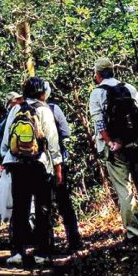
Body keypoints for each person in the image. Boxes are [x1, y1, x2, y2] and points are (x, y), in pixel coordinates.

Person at [89, 57, 138, 244]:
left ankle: (135, 233)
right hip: (136, 144)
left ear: (97, 75)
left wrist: (110, 142)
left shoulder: (97, 94)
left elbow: (99, 122)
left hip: (114, 149)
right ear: (113, 71)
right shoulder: (129, 88)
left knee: (125, 190)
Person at [1, 76, 62, 267]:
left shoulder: (15, 110)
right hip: (39, 165)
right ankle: (41, 252)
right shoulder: (44, 110)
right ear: (42, 92)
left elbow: (5, 142)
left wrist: (9, 158)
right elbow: (52, 141)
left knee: (20, 208)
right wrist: (58, 167)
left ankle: (18, 251)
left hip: (17, 165)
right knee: (43, 208)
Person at [39, 83, 83, 252]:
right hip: (56, 162)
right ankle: (74, 241)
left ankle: (46, 244)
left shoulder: (25, 109)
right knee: (64, 202)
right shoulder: (53, 109)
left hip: (37, 164)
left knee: (43, 204)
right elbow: (65, 133)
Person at [0, 91, 22, 245]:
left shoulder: (9, 119)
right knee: (18, 200)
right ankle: (14, 236)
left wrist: (1, 159)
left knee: (1, 199)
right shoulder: (27, 111)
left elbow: (1, 144)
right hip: (25, 163)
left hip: (10, 162)